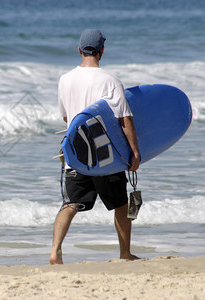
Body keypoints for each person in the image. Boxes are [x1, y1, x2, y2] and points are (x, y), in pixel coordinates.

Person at [50, 29, 141, 264]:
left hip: (76, 154)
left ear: (79, 50)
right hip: (106, 156)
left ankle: (55, 252)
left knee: (70, 204)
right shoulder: (110, 81)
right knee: (120, 205)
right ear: (102, 51)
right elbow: (125, 120)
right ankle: (124, 254)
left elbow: (66, 118)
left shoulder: (65, 79)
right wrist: (135, 152)